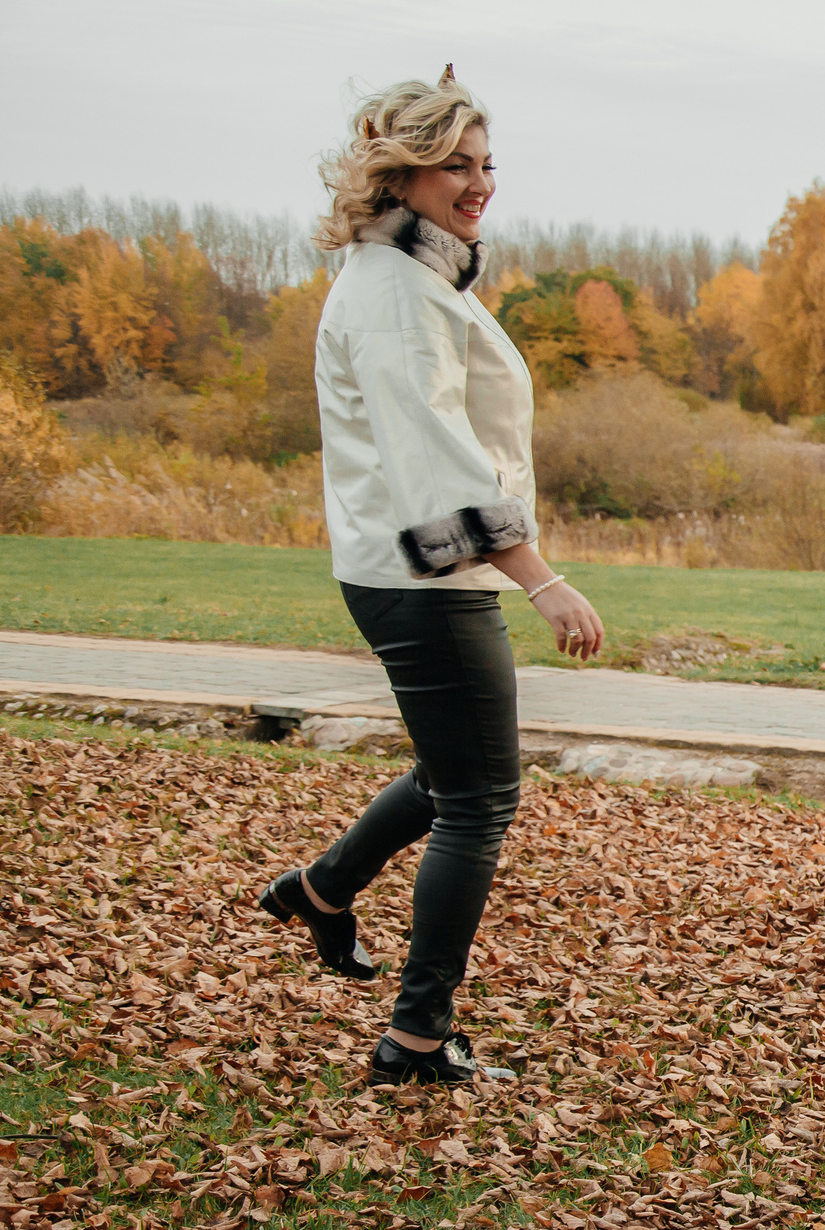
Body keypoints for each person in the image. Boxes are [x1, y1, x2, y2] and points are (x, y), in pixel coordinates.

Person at [256, 69, 606, 1086]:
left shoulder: (410, 278)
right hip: (425, 580)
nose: (480, 182)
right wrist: (540, 579)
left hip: (406, 572)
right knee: (479, 799)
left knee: (453, 773)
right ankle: (415, 1036)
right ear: (399, 174)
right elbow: (436, 465)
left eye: (486, 162)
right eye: (455, 164)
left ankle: (322, 890)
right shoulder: (398, 297)